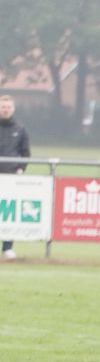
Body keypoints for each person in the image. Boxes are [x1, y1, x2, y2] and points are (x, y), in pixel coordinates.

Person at [0, 95, 32, 260]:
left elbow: (25, 152)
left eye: (8, 107)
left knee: (8, 212)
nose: (5, 109)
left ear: (13, 109)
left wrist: (21, 169)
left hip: (10, 177)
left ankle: (7, 248)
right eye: (2, 106)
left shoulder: (20, 129)